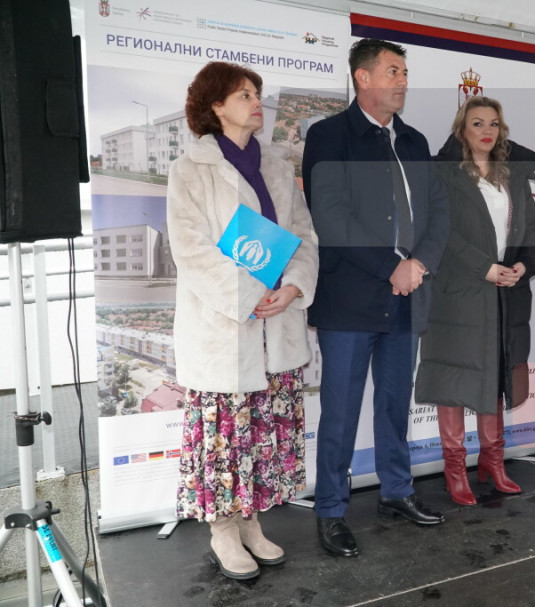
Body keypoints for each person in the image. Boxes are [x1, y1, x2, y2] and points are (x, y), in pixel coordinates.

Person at [168, 61, 319, 580]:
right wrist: (251, 294)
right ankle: (224, 530)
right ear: (216, 106)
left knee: (262, 434)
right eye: (244, 95)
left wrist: (293, 285)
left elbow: (304, 235)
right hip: (225, 326)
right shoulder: (190, 168)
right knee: (225, 437)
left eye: (257, 93)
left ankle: (252, 522)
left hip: (277, 324)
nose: (257, 102)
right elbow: (191, 250)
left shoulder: (277, 164)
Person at [301, 38, 450, 557]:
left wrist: (418, 265)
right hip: (350, 301)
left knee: (393, 404)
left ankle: (396, 492)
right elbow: (331, 216)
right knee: (340, 412)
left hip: (407, 296)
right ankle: (330, 510)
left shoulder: (414, 140)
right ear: (362, 78)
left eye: (405, 72)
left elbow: (438, 211)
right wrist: (392, 267)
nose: (403, 81)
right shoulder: (329, 135)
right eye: (393, 71)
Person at [415, 96, 535, 506]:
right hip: (458, 294)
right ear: (462, 130)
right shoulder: (444, 175)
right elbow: (441, 233)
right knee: (453, 380)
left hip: (506, 294)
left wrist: (523, 265)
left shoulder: (513, 175)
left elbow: (533, 231)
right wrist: (482, 268)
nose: (486, 131)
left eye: (493, 124)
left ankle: (493, 461)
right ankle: (455, 469)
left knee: (496, 377)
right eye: (477, 123)